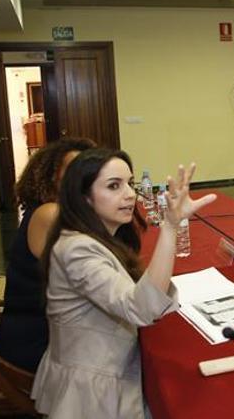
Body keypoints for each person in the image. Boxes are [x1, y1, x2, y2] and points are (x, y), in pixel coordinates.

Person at [32, 149, 216, 418]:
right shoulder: (76, 249)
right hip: (94, 389)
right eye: (114, 186)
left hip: (100, 367)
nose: (130, 194)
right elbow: (140, 308)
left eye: (129, 183)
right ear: (84, 197)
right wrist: (170, 226)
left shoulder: (94, 236)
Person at [0, 137, 95, 373]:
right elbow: (83, 282)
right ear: (51, 177)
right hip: (37, 340)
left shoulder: (57, 209)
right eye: (72, 171)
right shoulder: (50, 214)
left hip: (43, 323)